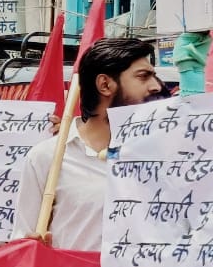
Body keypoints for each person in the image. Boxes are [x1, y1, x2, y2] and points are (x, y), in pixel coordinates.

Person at [11, 37, 166, 250]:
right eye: (143, 76)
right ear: (105, 84)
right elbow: (22, 241)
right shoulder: (46, 157)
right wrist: (36, 249)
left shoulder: (164, 156)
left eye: (154, 76)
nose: (156, 86)